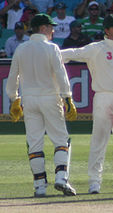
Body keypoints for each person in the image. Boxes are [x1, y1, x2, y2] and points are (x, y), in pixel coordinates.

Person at [61, 14, 113, 194]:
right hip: (103, 98)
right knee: (99, 141)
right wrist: (48, 53)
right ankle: (94, 182)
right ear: (107, 30)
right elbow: (71, 54)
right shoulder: (96, 48)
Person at [6, 13, 77, 197]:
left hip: (29, 100)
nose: (53, 30)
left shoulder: (21, 49)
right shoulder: (52, 48)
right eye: (51, 27)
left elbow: (13, 76)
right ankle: (61, 178)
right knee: (61, 139)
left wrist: (14, 99)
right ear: (43, 28)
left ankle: (39, 185)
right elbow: (61, 75)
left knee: (34, 142)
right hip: (50, 98)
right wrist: (67, 97)